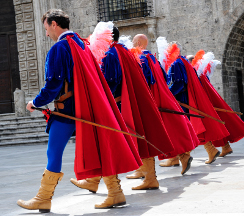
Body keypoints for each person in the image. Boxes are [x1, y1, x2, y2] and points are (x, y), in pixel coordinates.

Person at [17, 9, 142, 212]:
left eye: (46, 28)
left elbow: (54, 83)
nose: (46, 34)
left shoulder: (60, 48)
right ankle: (115, 192)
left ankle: (43, 198)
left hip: (67, 111)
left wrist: (36, 102)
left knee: (53, 152)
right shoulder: (82, 44)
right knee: (100, 146)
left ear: (54, 24)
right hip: (89, 108)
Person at [71, 27, 175, 192]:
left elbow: (112, 80)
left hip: (119, 104)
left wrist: (103, 101)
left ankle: (109, 186)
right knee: (139, 136)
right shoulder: (124, 51)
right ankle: (149, 178)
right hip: (128, 102)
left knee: (107, 141)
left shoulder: (112, 53)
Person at [130, 34, 199, 177]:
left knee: (148, 135)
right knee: (168, 130)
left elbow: (144, 82)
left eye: (133, 42)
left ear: (137, 43)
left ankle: (146, 172)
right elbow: (165, 78)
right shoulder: (153, 58)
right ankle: (182, 157)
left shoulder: (141, 58)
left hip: (151, 101)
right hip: (160, 98)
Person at [167, 43, 230, 164]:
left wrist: (168, 94)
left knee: (186, 128)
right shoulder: (183, 62)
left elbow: (180, 84)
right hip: (186, 99)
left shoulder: (177, 64)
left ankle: (180, 158)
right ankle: (205, 151)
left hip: (182, 100)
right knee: (191, 127)